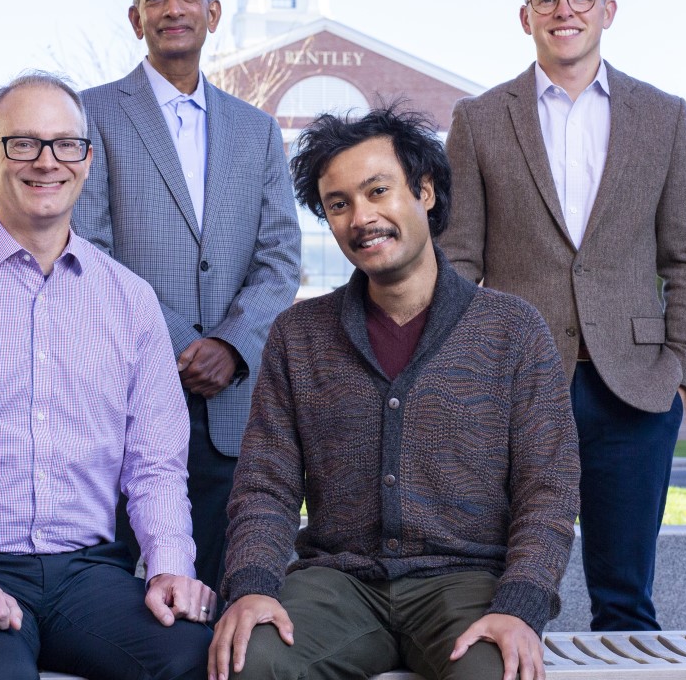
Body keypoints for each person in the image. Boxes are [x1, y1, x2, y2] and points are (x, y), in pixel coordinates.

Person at [0, 72, 213, 680]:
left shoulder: (130, 300)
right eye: (22, 143)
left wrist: (170, 566)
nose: (46, 162)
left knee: (199, 657)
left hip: (88, 577)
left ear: (87, 160)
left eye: (64, 144)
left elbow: (154, 464)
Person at [209, 107, 580, 680]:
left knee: (497, 672)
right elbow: (266, 485)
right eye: (339, 204)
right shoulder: (299, 334)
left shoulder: (511, 329)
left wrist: (521, 607)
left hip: (467, 583)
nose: (361, 217)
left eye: (378, 191)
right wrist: (253, 586)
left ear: (425, 191)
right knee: (247, 661)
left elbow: (548, 487)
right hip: (339, 585)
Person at [440, 0, 686, 632]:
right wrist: (466, 371)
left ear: (608, 9)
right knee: (504, 596)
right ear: (524, 15)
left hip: (637, 389)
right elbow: (460, 260)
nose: (564, 11)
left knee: (625, 604)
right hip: (515, 388)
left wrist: (684, 373)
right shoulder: (478, 120)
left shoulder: (663, 116)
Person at [72, 0, 301, 595]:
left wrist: (230, 344)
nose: (173, 8)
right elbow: (89, 248)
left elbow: (280, 255)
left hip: (229, 409)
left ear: (214, 11)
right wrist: (180, 345)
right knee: (106, 597)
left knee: (228, 598)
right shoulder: (91, 114)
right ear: (135, 17)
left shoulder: (257, 130)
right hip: (125, 397)